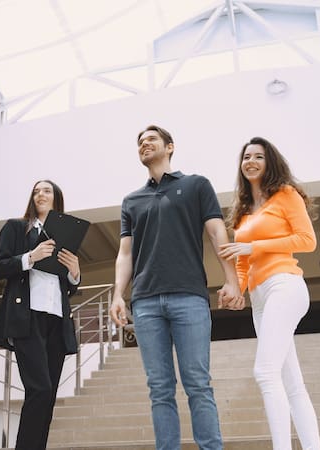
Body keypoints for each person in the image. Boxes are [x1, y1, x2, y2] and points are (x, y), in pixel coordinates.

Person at [109, 125, 242, 450]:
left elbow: (216, 233)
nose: (144, 144)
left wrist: (233, 280)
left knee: (197, 383)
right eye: (140, 142)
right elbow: (125, 253)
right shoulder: (131, 200)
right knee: (159, 388)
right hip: (145, 303)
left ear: (170, 147)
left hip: (189, 297)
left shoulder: (196, 185)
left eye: (151, 139)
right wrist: (117, 296)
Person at [218, 137, 320, 450]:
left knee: (265, 372)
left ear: (269, 162)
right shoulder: (243, 211)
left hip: (285, 284)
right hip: (260, 299)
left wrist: (255, 246)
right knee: (292, 384)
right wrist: (236, 290)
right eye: (246, 157)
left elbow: (307, 240)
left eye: (258, 157)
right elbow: (243, 261)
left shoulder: (286, 195)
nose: (250, 161)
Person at [0, 180, 81, 450]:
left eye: (47, 190)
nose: (40, 194)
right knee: (39, 389)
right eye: (36, 190)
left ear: (57, 199)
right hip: (26, 319)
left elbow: (68, 286)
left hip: (56, 320)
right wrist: (30, 256)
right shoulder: (16, 228)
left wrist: (75, 272)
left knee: (48, 395)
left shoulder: (64, 237)